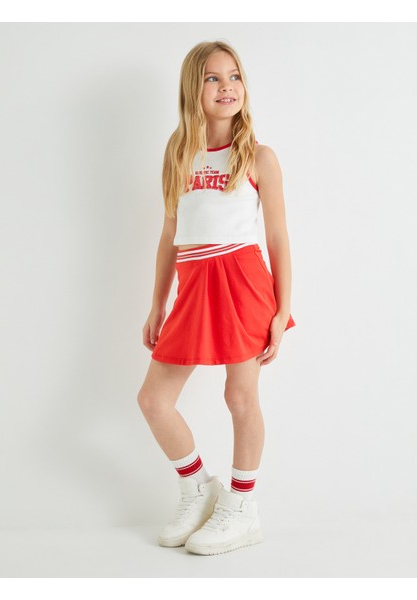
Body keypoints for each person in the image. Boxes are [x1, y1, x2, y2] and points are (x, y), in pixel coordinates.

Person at [137, 40, 296, 556]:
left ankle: (243, 507)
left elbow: (277, 237)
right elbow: (170, 234)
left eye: (234, 76)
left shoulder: (259, 156)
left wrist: (282, 309)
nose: (227, 87)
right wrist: (157, 303)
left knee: (240, 397)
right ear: (193, 89)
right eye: (212, 78)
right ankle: (199, 488)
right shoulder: (177, 152)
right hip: (193, 287)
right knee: (154, 400)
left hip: (243, 286)